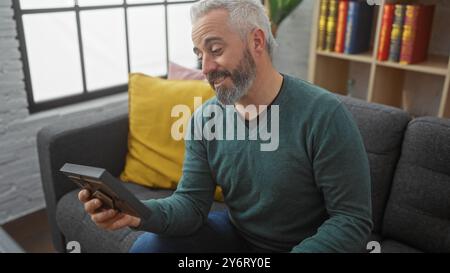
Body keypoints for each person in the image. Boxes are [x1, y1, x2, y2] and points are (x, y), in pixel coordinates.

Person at [78, 0, 372, 253]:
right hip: (238, 238)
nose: (205, 68)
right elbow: (191, 204)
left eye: (215, 50)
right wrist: (137, 213)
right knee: (147, 247)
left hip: (307, 244)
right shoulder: (204, 120)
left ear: (256, 42)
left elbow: (351, 219)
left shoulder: (323, 115)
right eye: (199, 55)